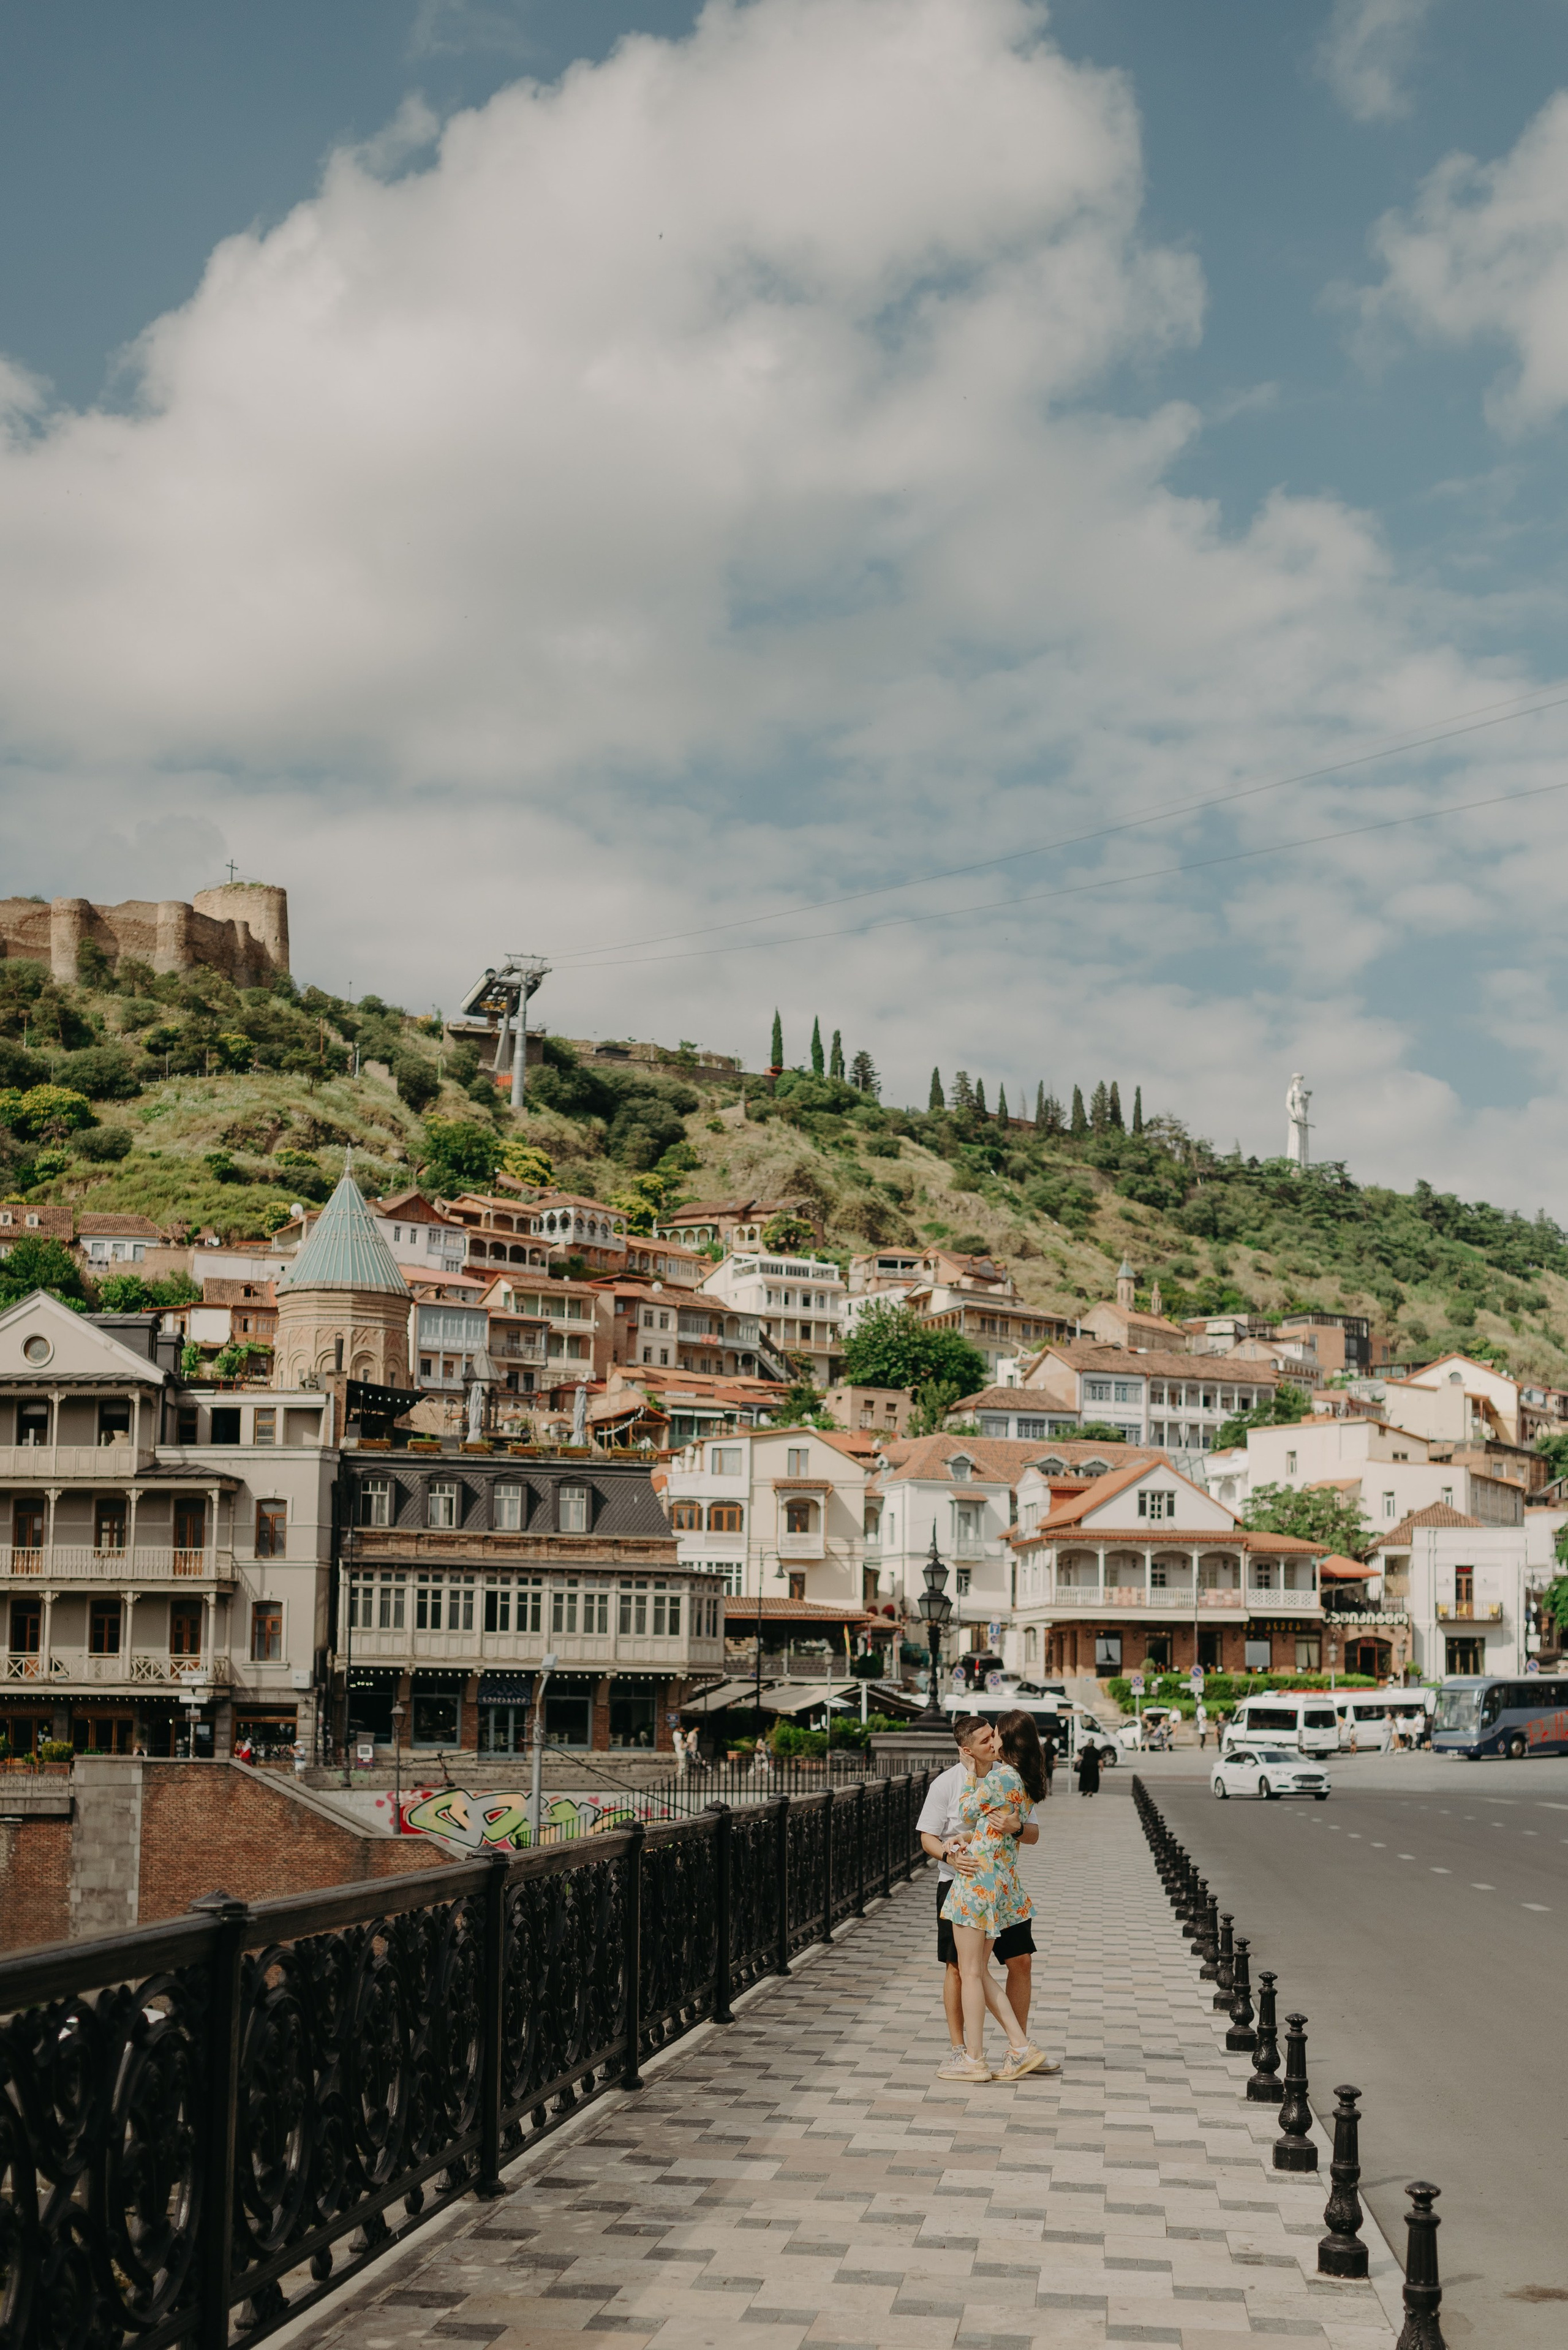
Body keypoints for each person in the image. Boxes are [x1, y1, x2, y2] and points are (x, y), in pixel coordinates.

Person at [918, 1715, 1047, 2082]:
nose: (993, 1741)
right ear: (966, 1749)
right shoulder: (1017, 1778)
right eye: (985, 1737)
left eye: (996, 1734)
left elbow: (971, 1811)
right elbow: (973, 1831)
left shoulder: (999, 1776)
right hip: (992, 1877)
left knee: (975, 1971)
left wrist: (976, 1780)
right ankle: (1015, 2047)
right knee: (970, 1970)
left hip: (978, 1884)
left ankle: (979, 2058)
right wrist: (958, 1846)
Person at [1074, 1733, 1101, 1797]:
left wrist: (1075, 1765)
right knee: (1092, 1780)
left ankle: (1085, 1791)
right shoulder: (1096, 1750)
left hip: (1084, 1767)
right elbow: (1100, 1760)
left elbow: (1079, 1757)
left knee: (1084, 1779)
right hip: (1093, 1767)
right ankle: (1091, 1792)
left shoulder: (1084, 1749)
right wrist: (1102, 1768)